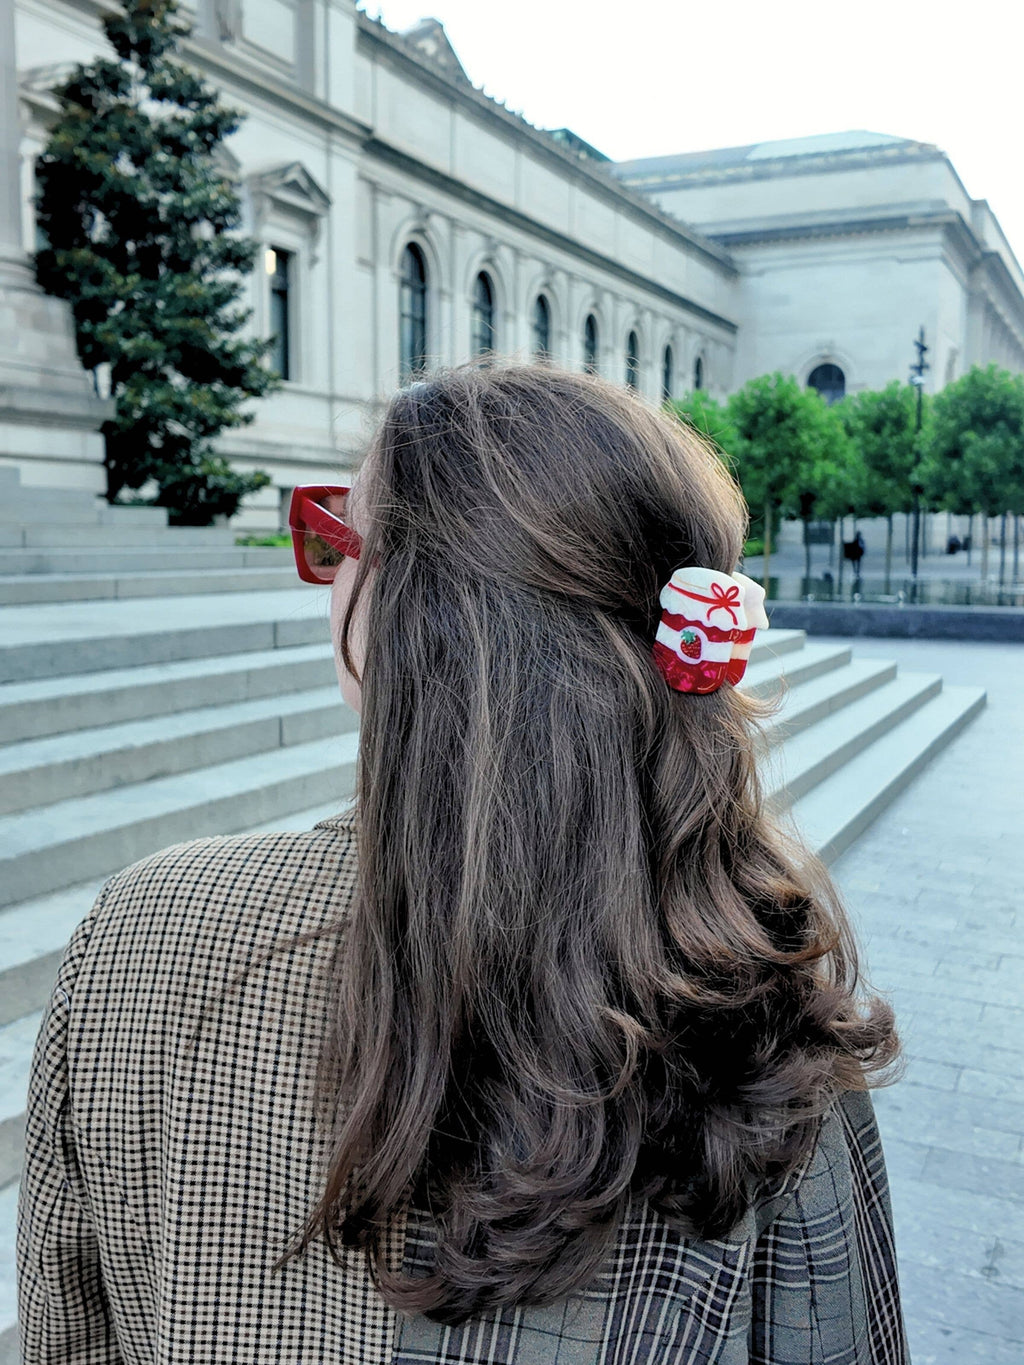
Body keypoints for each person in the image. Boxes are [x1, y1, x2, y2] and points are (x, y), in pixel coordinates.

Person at [18, 364, 906, 1363]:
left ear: (402, 613)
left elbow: (67, 1336)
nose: (324, 576)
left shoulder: (145, 931)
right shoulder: (752, 1005)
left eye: (334, 538)